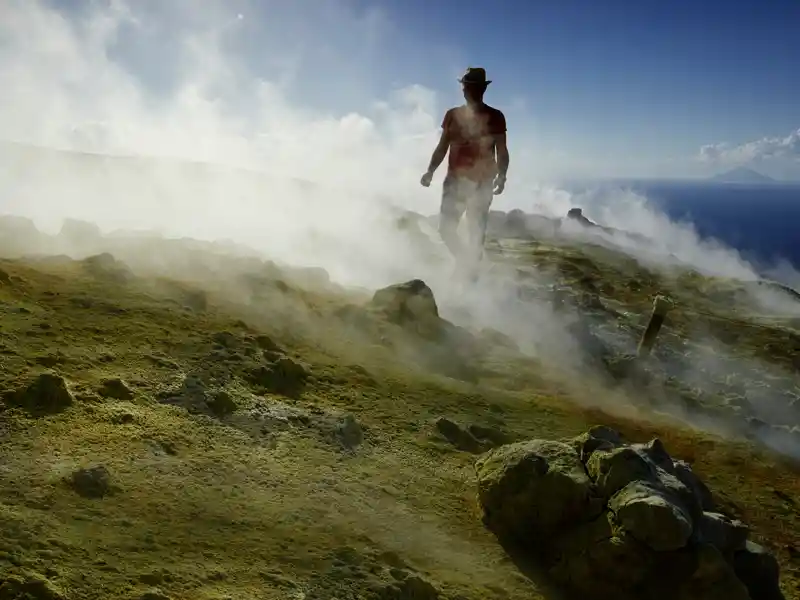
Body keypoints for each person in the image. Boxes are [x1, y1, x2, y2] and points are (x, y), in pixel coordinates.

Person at [420, 67, 509, 279]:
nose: (469, 90)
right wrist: (430, 171)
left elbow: (502, 150)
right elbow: (442, 146)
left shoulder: (495, 117)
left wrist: (502, 176)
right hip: (454, 181)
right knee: (446, 230)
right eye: (467, 86)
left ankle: (470, 279)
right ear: (463, 88)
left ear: (482, 90)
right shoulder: (452, 116)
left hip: (481, 182)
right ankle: (466, 263)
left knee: (476, 233)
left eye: (473, 87)